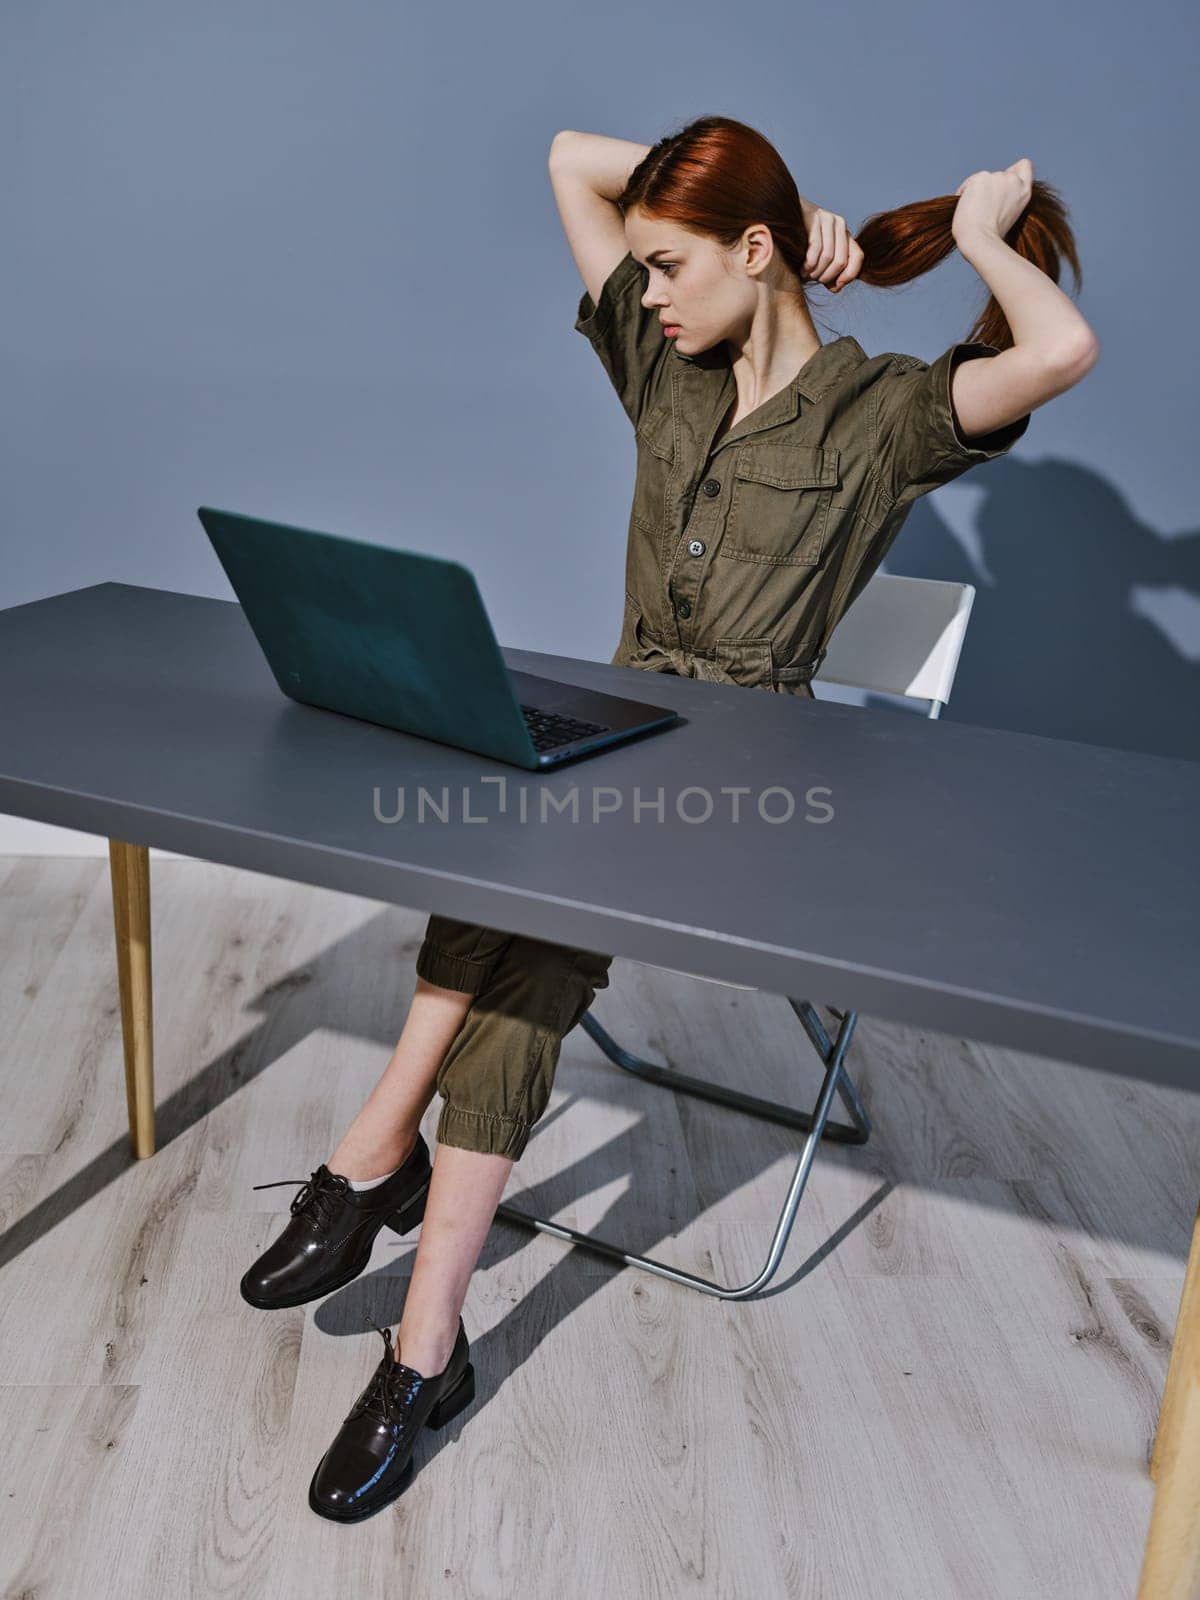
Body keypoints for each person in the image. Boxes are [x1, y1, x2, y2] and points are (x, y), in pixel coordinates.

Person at [241, 115, 1099, 1521]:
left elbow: (1058, 353)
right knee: (512, 841)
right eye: (640, 271)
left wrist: (992, 242)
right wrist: (788, 196)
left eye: (666, 266)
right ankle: (411, 1287)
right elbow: (573, 156)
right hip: (608, 745)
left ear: (749, 257)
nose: (641, 295)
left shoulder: (885, 413)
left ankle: (390, 1235)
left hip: (747, 792)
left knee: (531, 892)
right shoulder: (668, 365)